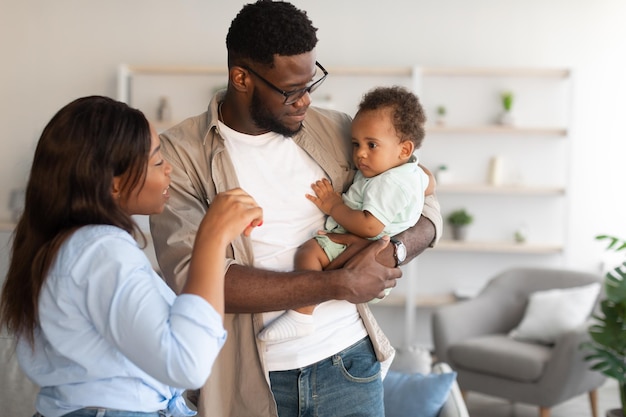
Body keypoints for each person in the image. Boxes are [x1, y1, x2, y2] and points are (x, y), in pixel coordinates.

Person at [149, 1, 442, 416]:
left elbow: (426, 203)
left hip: (350, 365)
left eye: (311, 83)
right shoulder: (179, 157)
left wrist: (392, 252)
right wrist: (337, 285)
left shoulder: (338, 129)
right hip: (253, 383)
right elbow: (195, 281)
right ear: (241, 78)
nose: (304, 101)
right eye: (290, 90)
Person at [0, 96, 263, 417]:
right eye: (155, 161)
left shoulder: (65, 244)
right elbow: (187, 364)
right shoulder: (101, 251)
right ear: (113, 184)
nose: (168, 169)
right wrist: (212, 237)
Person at [258, 86, 435, 343]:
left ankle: (301, 315)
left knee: (308, 253)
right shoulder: (410, 172)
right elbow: (430, 186)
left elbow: (370, 226)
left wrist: (333, 205)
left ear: (405, 150)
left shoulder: (388, 183)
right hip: (373, 256)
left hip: (360, 248)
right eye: (356, 144)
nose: (360, 153)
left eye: (372, 145)